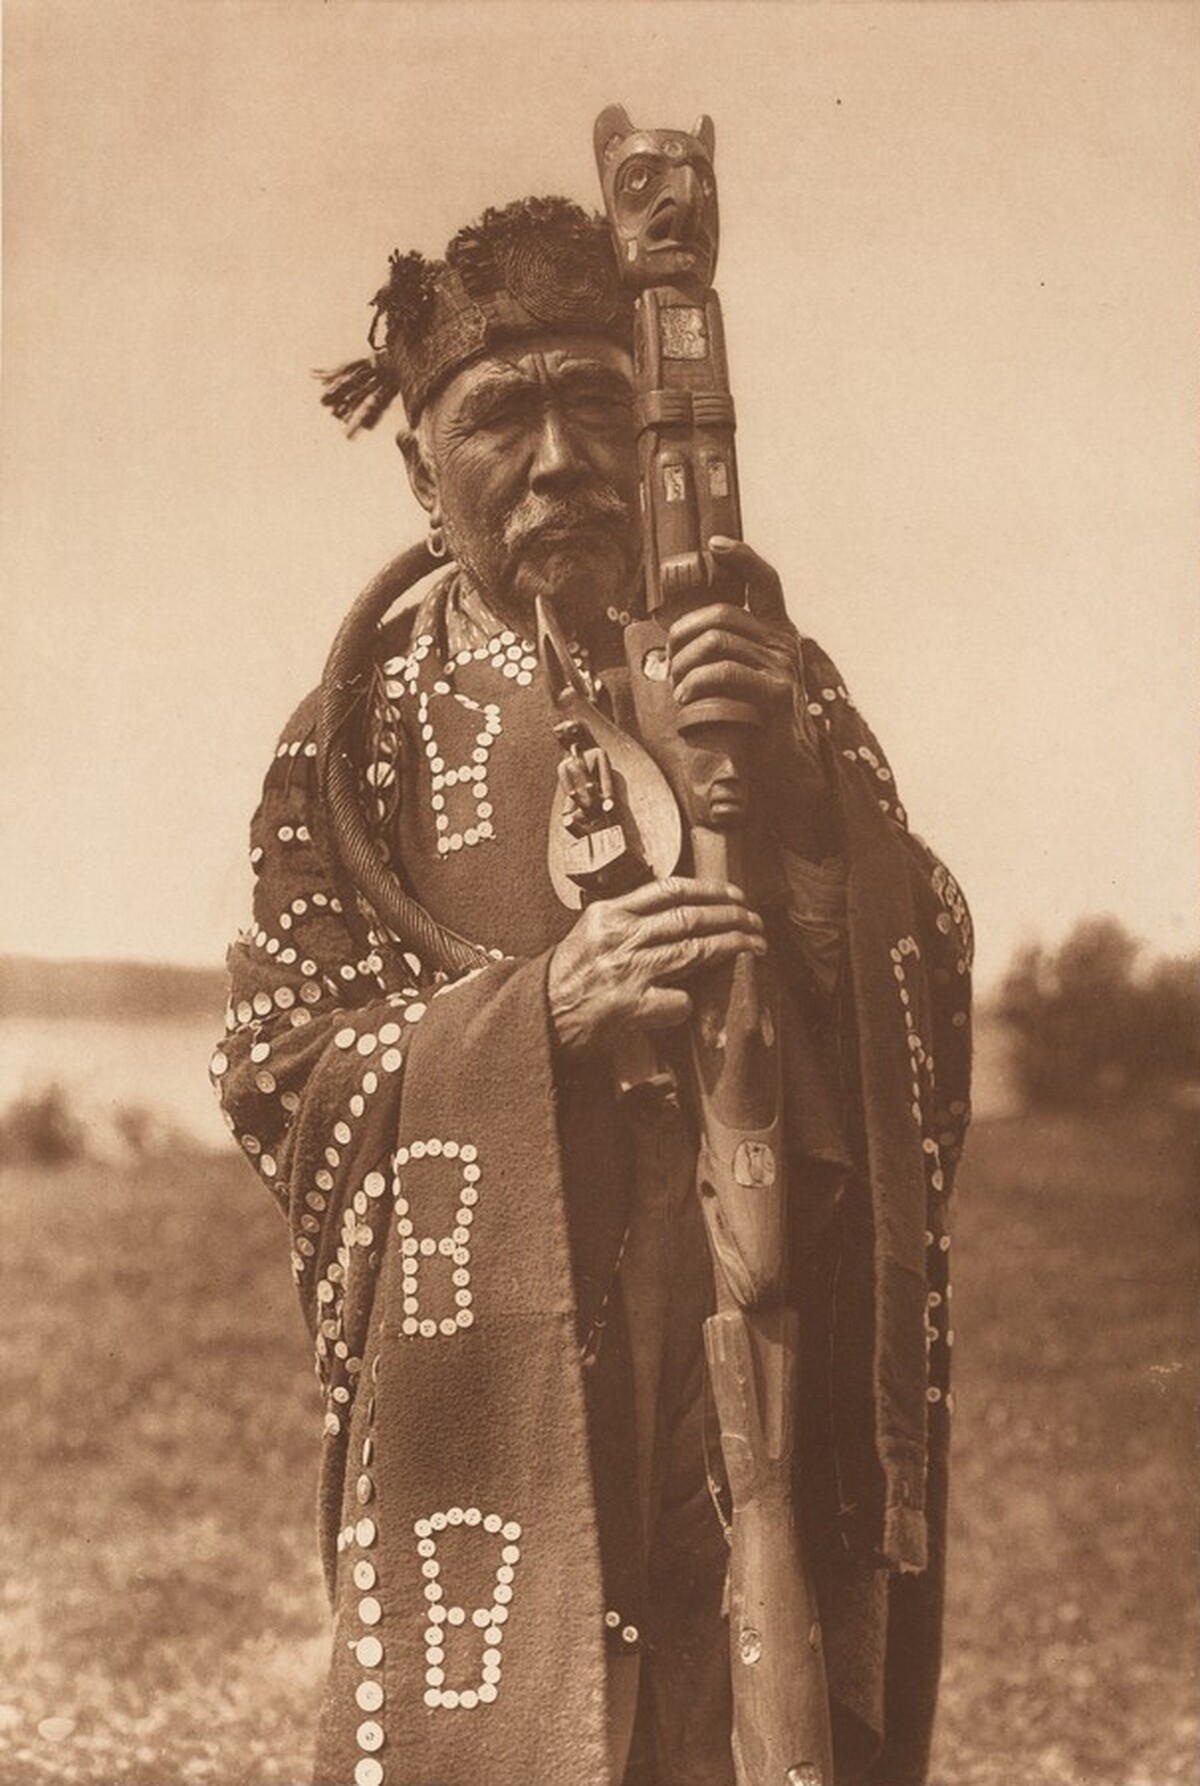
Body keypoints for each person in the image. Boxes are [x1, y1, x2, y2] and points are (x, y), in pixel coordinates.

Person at [213, 193, 972, 1786]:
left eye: (596, 404)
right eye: (501, 416)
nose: (561, 458)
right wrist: (536, 1019)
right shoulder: (356, 738)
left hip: (752, 1352)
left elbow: (929, 978)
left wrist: (810, 826)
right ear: (422, 466)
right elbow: (280, 1060)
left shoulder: (773, 680)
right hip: (500, 1379)